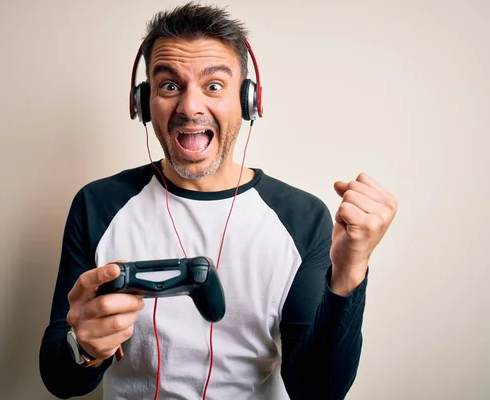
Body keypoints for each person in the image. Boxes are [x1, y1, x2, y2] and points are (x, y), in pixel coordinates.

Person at [39, 2, 397, 399]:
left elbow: (316, 391)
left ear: (247, 101)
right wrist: (84, 347)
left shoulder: (301, 217)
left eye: (213, 86)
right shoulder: (98, 204)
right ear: (143, 103)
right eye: (169, 85)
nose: (190, 107)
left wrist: (349, 273)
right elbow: (61, 381)